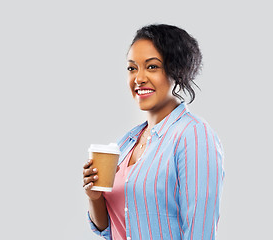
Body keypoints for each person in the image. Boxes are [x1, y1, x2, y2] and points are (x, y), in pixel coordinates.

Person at [82, 24, 224, 240]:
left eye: (152, 67)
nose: (138, 78)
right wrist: (94, 197)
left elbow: (200, 233)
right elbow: (110, 229)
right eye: (132, 68)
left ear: (177, 70)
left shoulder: (194, 136)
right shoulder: (126, 143)